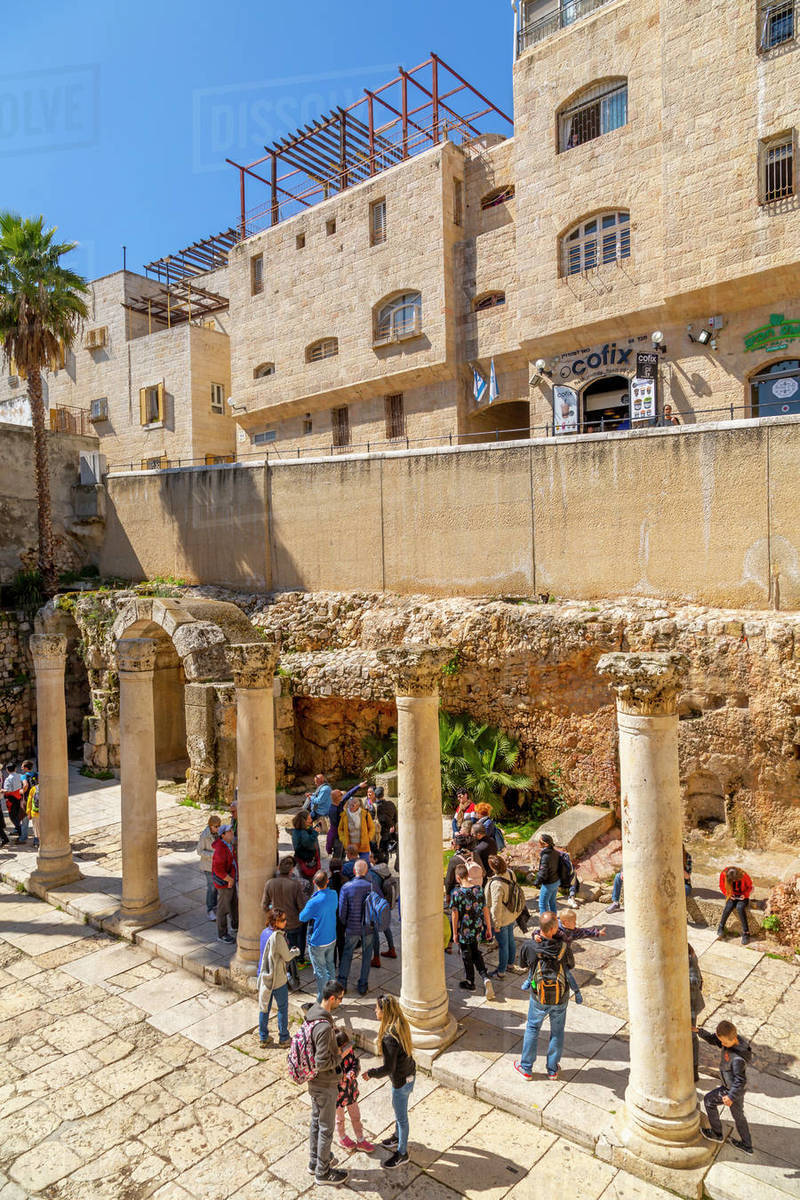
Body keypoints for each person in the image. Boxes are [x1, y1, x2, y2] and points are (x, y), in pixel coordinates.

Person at [514, 911, 570, 1081]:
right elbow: (571, 965)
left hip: (539, 995)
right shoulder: (563, 947)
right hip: (560, 996)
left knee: (532, 1027)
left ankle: (526, 1068)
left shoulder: (530, 945)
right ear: (554, 928)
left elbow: (522, 964)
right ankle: (552, 1069)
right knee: (557, 1032)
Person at [362, 994, 416, 1169]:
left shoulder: (389, 1037)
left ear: (384, 1011)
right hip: (410, 1075)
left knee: (401, 1118)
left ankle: (402, 1153)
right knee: (399, 1111)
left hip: (400, 1081)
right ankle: (397, 1136)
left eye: (377, 1008)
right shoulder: (401, 1025)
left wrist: (371, 1073)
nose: (375, 1010)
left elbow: (388, 1069)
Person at [305, 980, 349, 1185]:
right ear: (332, 998)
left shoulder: (313, 1012)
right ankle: (323, 1172)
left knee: (316, 1121)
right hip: (324, 1083)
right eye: (340, 998)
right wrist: (341, 1055)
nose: (340, 1002)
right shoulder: (323, 1027)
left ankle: (314, 1161)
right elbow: (322, 1062)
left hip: (315, 1083)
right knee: (326, 1128)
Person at [699, 1019, 753, 1155]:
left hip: (731, 1089)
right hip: (736, 1091)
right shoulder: (732, 1039)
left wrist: (730, 1096)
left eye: (724, 1042)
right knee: (739, 1116)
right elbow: (715, 1039)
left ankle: (717, 1133)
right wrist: (700, 1032)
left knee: (708, 1101)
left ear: (733, 1038)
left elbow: (740, 1081)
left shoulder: (737, 1060)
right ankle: (747, 1146)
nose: (722, 1044)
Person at [450, 863, 495, 999]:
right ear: (467, 875)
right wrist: (488, 928)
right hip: (477, 927)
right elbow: (485, 909)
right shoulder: (478, 890)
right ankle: (485, 977)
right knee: (476, 952)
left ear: (458, 878)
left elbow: (454, 915)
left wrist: (455, 933)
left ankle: (470, 981)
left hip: (464, 928)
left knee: (466, 954)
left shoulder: (456, 893)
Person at [262, 856, 308, 988]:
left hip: (277, 925)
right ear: (291, 870)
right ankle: (292, 978)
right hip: (293, 923)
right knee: (291, 952)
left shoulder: (270, 883)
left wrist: (273, 914)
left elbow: (264, 906)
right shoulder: (295, 885)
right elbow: (301, 907)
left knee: (279, 952)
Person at [257, 909, 299, 1048]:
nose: (285, 922)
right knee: (282, 1008)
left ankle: (263, 1037)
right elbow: (286, 957)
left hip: (264, 977)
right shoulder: (278, 937)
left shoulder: (264, 933)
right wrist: (295, 952)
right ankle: (284, 1038)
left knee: (264, 1008)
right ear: (275, 922)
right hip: (278, 979)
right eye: (282, 920)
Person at [300, 870, 339, 1002]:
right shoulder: (334, 894)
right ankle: (334, 994)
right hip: (331, 937)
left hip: (318, 941)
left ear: (314, 883)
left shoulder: (314, 901)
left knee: (320, 972)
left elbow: (302, 917)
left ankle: (323, 1000)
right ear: (327, 881)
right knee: (330, 966)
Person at [337, 859, 373, 995]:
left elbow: (342, 912)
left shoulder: (346, 887)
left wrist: (346, 923)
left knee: (347, 954)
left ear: (354, 871)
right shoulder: (372, 886)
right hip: (368, 927)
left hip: (352, 927)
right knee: (367, 954)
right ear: (367, 871)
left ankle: (342, 983)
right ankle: (363, 984)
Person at [334, 1030, 374, 1151]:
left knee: (356, 1116)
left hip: (351, 1092)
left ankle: (360, 1139)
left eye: (349, 1046)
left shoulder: (350, 1053)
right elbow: (331, 1077)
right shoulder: (333, 1061)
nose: (349, 1049)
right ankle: (342, 1137)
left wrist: (353, 1072)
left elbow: (356, 1063)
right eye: (345, 1047)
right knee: (340, 1119)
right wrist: (342, 1077)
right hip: (338, 1096)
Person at [486, 854, 524, 979]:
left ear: (492, 867)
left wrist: (495, 925)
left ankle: (501, 971)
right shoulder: (510, 873)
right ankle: (510, 964)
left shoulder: (496, 884)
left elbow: (495, 907)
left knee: (503, 945)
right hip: (511, 914)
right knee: (510, 940)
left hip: (502, 918)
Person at [211, 823, 238, 944]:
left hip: (230, 880)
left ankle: (235, 925)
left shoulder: (228, 845)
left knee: (233, 903)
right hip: (224, 883)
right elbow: (218, 869)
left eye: (232, 830)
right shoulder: (220, 849)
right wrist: (229, 880)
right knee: (223, 908)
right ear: (222, 835)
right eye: (229, 831)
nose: (232, 832)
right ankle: (222, 934)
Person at [717, 866, 753, 945]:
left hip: (743, 896)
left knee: (740, 907)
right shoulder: (724, 874)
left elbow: (750, 887)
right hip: (731, 895)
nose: (733, 881)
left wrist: (745, 895)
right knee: (729, 906)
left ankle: (746, 932)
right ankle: (721, 926)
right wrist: (729, 894)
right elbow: (722, 886)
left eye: (735, 880)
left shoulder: (744, 875)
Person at [196, 813, 222, 921]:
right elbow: (199, 851)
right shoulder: (204, 836)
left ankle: (215, 907)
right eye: (216, 826)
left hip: (218, 865)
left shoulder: (219, 833)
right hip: (208, 866)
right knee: (211, 888)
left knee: (217, 887)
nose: (218, 828)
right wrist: (212, 855)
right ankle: (210, 909)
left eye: (219, 826)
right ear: (211, 826)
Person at [338, 792, 374, 862]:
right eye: (350, 805)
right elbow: (340, 829)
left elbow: (372, 828)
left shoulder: (365, 814)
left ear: (358, 805)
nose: (351, 806)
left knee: (365, 864)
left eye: (353, 805)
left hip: (363, 845)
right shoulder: (344, 815)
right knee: (352, 866)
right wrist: (343, 840)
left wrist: (368, 838)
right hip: (350, 846)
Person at [688, 943, 705, 1082]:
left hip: (690, 1006)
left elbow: (694, 982)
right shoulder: (689, 954)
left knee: (692, 1036)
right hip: (689, 1003)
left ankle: (693, 1070)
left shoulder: (689, 957)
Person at [292, 810, 321, 886]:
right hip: (306, 861)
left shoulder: (299, 830)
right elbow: (308, 843)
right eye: (309, 819)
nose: (311, 820)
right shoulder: (302, 832)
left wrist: (312, 829)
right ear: (303, 821)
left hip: (302, 859)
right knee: (308, 883)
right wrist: (315, 833)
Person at [534, 832, 560, 914]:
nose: (538, 843)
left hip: (549, 883)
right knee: (552, 903)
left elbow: (543, 872)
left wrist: (536, 882)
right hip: (556, 881)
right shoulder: (555, 852)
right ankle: (554, 923)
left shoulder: (545, 856)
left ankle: (545, 925)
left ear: (545, 844)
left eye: (540, 842)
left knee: (542, 904)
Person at [375, 787, 398, 867]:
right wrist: (392, 826)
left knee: (377, 852)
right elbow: (396, 818)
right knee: (386, 852)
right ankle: (385, 868)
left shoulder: (375, 807)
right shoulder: (391, 804)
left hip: (378, 833)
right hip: (389, 832)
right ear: (383, 794)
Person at [2, 763, 24, 842]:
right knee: (18, 813)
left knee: (12, 816)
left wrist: (2, 790)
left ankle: (19, 830)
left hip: (11, 799)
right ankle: (18, 829)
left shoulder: (8, 779)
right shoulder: (20, 776)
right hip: (19, 797)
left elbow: (8, 790)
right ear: (15, 769)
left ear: (7, 770)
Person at [25, 777, 39, 849]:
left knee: (36, 828)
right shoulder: (48, 788)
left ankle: (36, 842)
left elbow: (29, 802)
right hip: (46, 813)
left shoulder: (33, 789)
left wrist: (28, 813)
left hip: (35, 812)